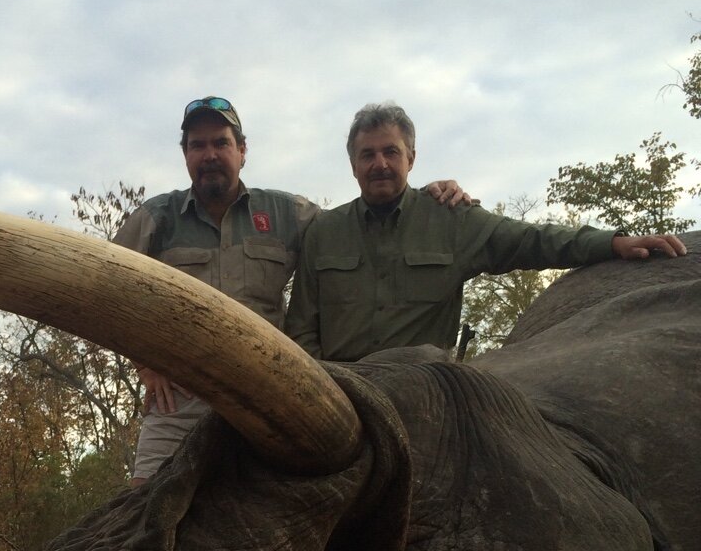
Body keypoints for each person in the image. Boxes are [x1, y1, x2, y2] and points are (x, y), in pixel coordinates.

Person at [114, 97, 467, 482]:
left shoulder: (288, 213)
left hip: (268, 396)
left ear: (242, 151)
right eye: (198, 145)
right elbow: (106, 288)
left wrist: (425, 198)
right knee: (139, 510)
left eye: (221, 142)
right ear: (185, 155)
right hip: (179, 402)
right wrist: (147, 366)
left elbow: (359, 222)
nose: (210, 154)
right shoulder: (155, 218)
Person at [285, 101, 688, 363]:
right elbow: (302, 326)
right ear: (353, 165)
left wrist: (613, 242)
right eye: (367, 154)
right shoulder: (324, 232)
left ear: (411, 157)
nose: (380, 164)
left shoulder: (452, 218)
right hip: (340, 394)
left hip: (426, 393)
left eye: (391, 151)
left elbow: (532, 240)